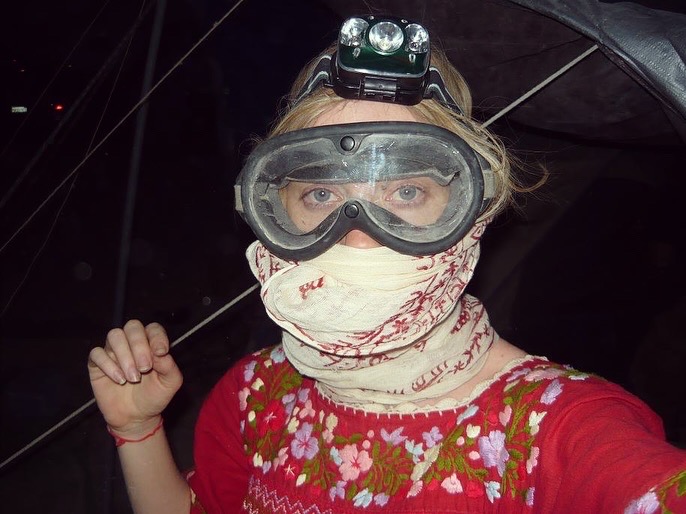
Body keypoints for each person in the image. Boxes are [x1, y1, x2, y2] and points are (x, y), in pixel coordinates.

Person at [88, 15, 686, 514]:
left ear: (471, 211)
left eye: (405, 192)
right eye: (321, 194)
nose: (359, 236)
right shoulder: (255, 392)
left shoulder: (557, 431)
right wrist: (138, 432)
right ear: (273, 215)